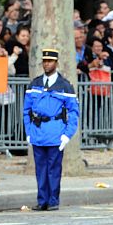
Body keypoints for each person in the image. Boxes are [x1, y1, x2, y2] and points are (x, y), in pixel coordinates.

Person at [23, 49, 80, 211]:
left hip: (56, 133)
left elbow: (74, 113)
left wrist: (67, 135)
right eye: (45, 61)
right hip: (38, 132)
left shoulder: (65, 86)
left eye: (50, 61)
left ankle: (53, 200)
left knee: (53, 170)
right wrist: (28, 131)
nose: (47, 64)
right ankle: (42, 201)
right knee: (40, 170)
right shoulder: (35, 84)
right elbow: (26, 110)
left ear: (56, 63)